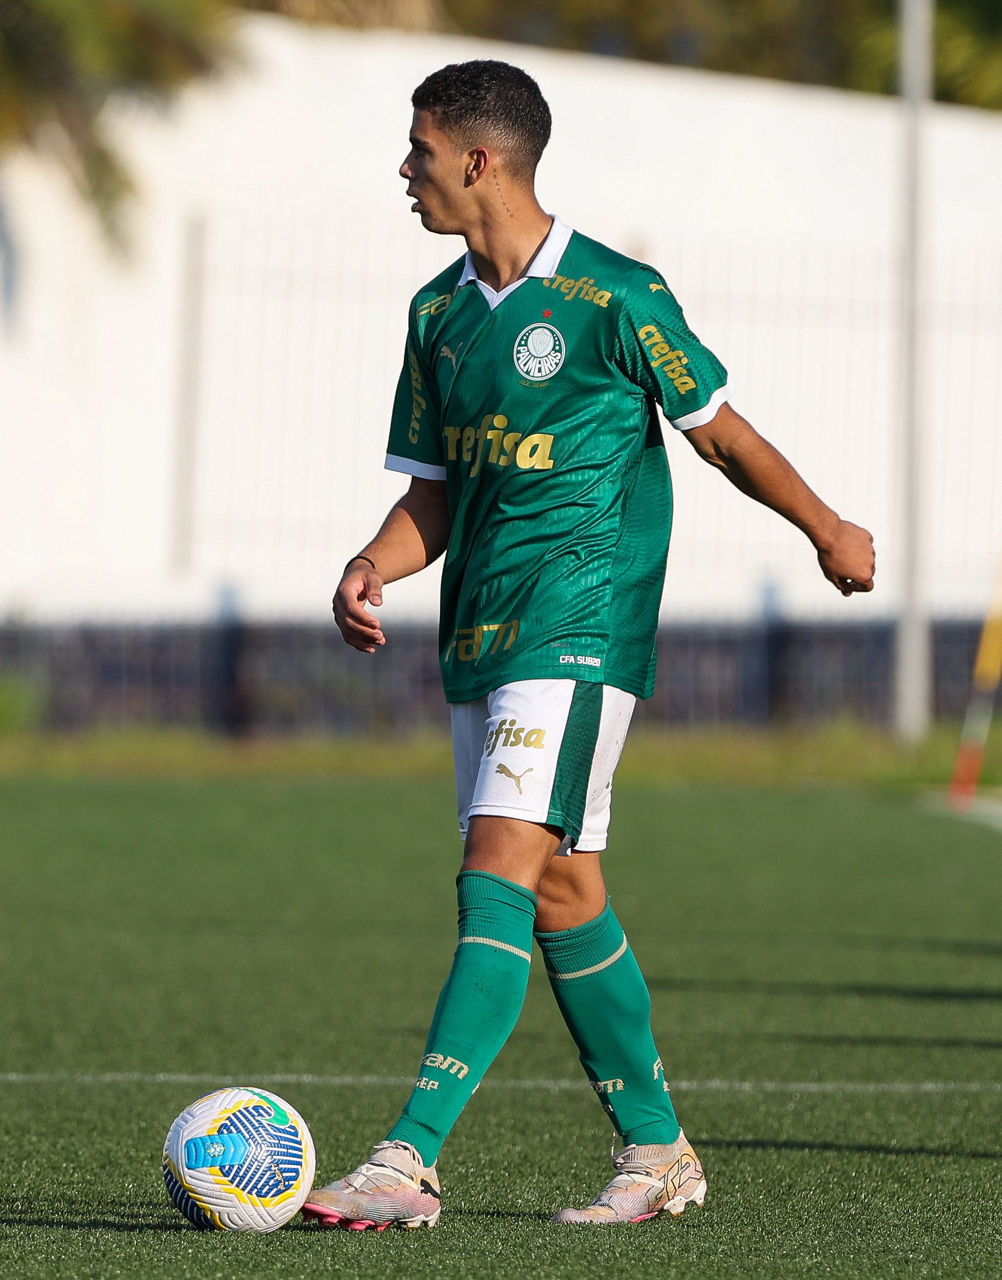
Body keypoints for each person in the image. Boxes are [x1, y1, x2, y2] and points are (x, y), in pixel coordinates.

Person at [302, 59, 875, 1232]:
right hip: (482, 633)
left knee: (497, 867)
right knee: (564, 888)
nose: (404, 170)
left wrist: (826, 528)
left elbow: (720, 433)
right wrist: (372, 562)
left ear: (478, 160)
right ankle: (658, 1148)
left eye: (419, 150)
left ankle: (407, 1158)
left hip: (581, 628)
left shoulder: (616, 295)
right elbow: (435, 496)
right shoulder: (436, 314)